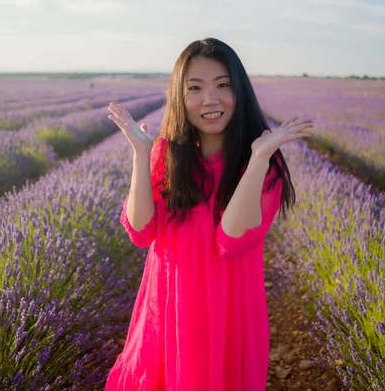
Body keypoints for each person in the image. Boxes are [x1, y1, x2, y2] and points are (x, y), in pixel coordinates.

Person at [104, 37, 313, 391]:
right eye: (195, 88)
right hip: (169, 312)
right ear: (179, 97)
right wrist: (141, 156)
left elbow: (231, 242)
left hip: (228, 316)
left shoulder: (264, 164)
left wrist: (259, 158)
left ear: (239, 90)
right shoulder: (163, 155)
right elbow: (140, 232)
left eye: (222, 85)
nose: (210, 100)